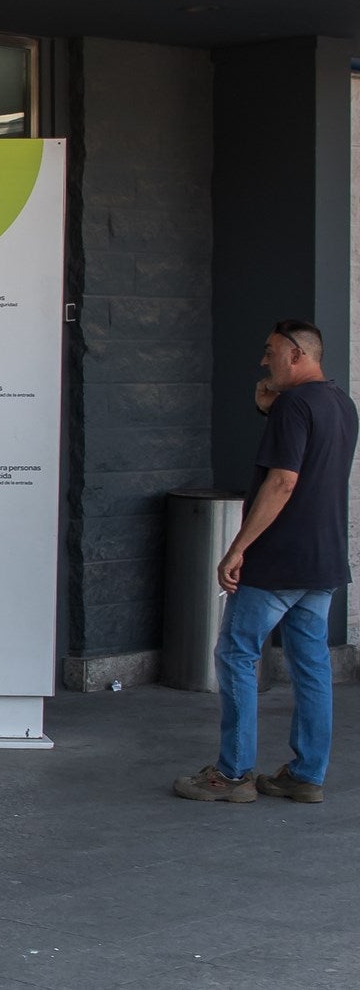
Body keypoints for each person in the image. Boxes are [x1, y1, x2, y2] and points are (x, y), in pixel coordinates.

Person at [174, 319, 357, 804]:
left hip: (279, 560)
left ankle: (232, 774)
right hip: (323, 559)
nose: (263, 360)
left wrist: (238, 547)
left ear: (297, 355)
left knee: (236, 653)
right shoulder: (341, 403)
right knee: (311, 664)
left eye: (271, 352)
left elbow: (284, 481)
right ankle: (306, 775)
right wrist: (269, 410)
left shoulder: (295, 405)